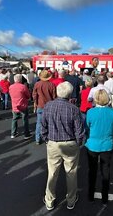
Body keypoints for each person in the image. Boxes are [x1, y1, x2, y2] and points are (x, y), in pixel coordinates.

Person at [41, 82, 85, 211]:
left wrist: (46, 139)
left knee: (52, 172)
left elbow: (42, 126)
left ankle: (49, 200)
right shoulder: (73, 109)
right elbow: (79, 130)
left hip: (53, 143)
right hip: (70, 143)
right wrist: (79, 142)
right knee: (71, 173)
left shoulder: (48, 106)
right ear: (70, 94)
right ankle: (71, 200)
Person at [85, 89, 113, 205]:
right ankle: (105, 196)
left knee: (92, 170)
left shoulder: (90, 112)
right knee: (106, 170)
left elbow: (88, 127)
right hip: (107, 144)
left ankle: (91, 194)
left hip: (93, 144)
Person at [32, 70, 56, 144]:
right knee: (49, 124)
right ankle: (47, 139)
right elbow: (54, 96)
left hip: (40, 105)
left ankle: (37, 139)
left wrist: (35, 104)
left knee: (39, 123)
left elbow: (34, 96)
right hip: (49, 106)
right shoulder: (52, 85)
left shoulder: (37, 84)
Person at [8, 74, 32, 140]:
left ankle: (13, 133)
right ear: (20, 79)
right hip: (23, 106)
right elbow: (28, 96)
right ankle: (26, 134)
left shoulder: (11, 87)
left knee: (14, 119)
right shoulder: (23, 87)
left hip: (15, 105)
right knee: (25, 120)